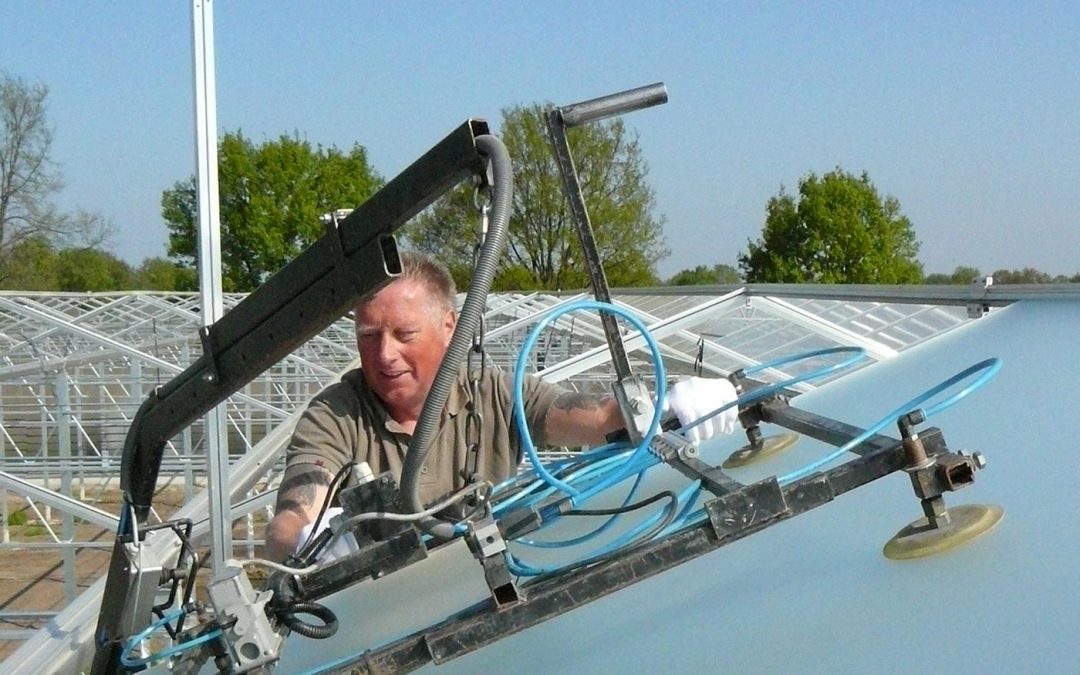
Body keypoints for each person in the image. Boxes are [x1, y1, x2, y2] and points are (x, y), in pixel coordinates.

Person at [265, 252, 738, 562]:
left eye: (403, 335)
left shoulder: (492, 394)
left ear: (450, 327)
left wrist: (662, 404)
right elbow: (292, 515)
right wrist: (307, 545)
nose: (384, 354)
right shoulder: (336, 415)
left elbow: (586, 416)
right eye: (369, 336)